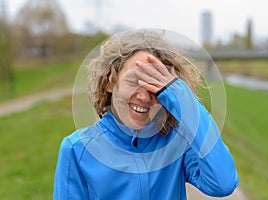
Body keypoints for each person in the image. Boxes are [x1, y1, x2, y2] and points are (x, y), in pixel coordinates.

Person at [53, 29, 239, 200]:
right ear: (110, 82)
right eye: (134, 81)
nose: (143, 96)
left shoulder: (177, 142)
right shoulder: (77, 150)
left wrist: (183, 100)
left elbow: (223, 183)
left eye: (155, 85)